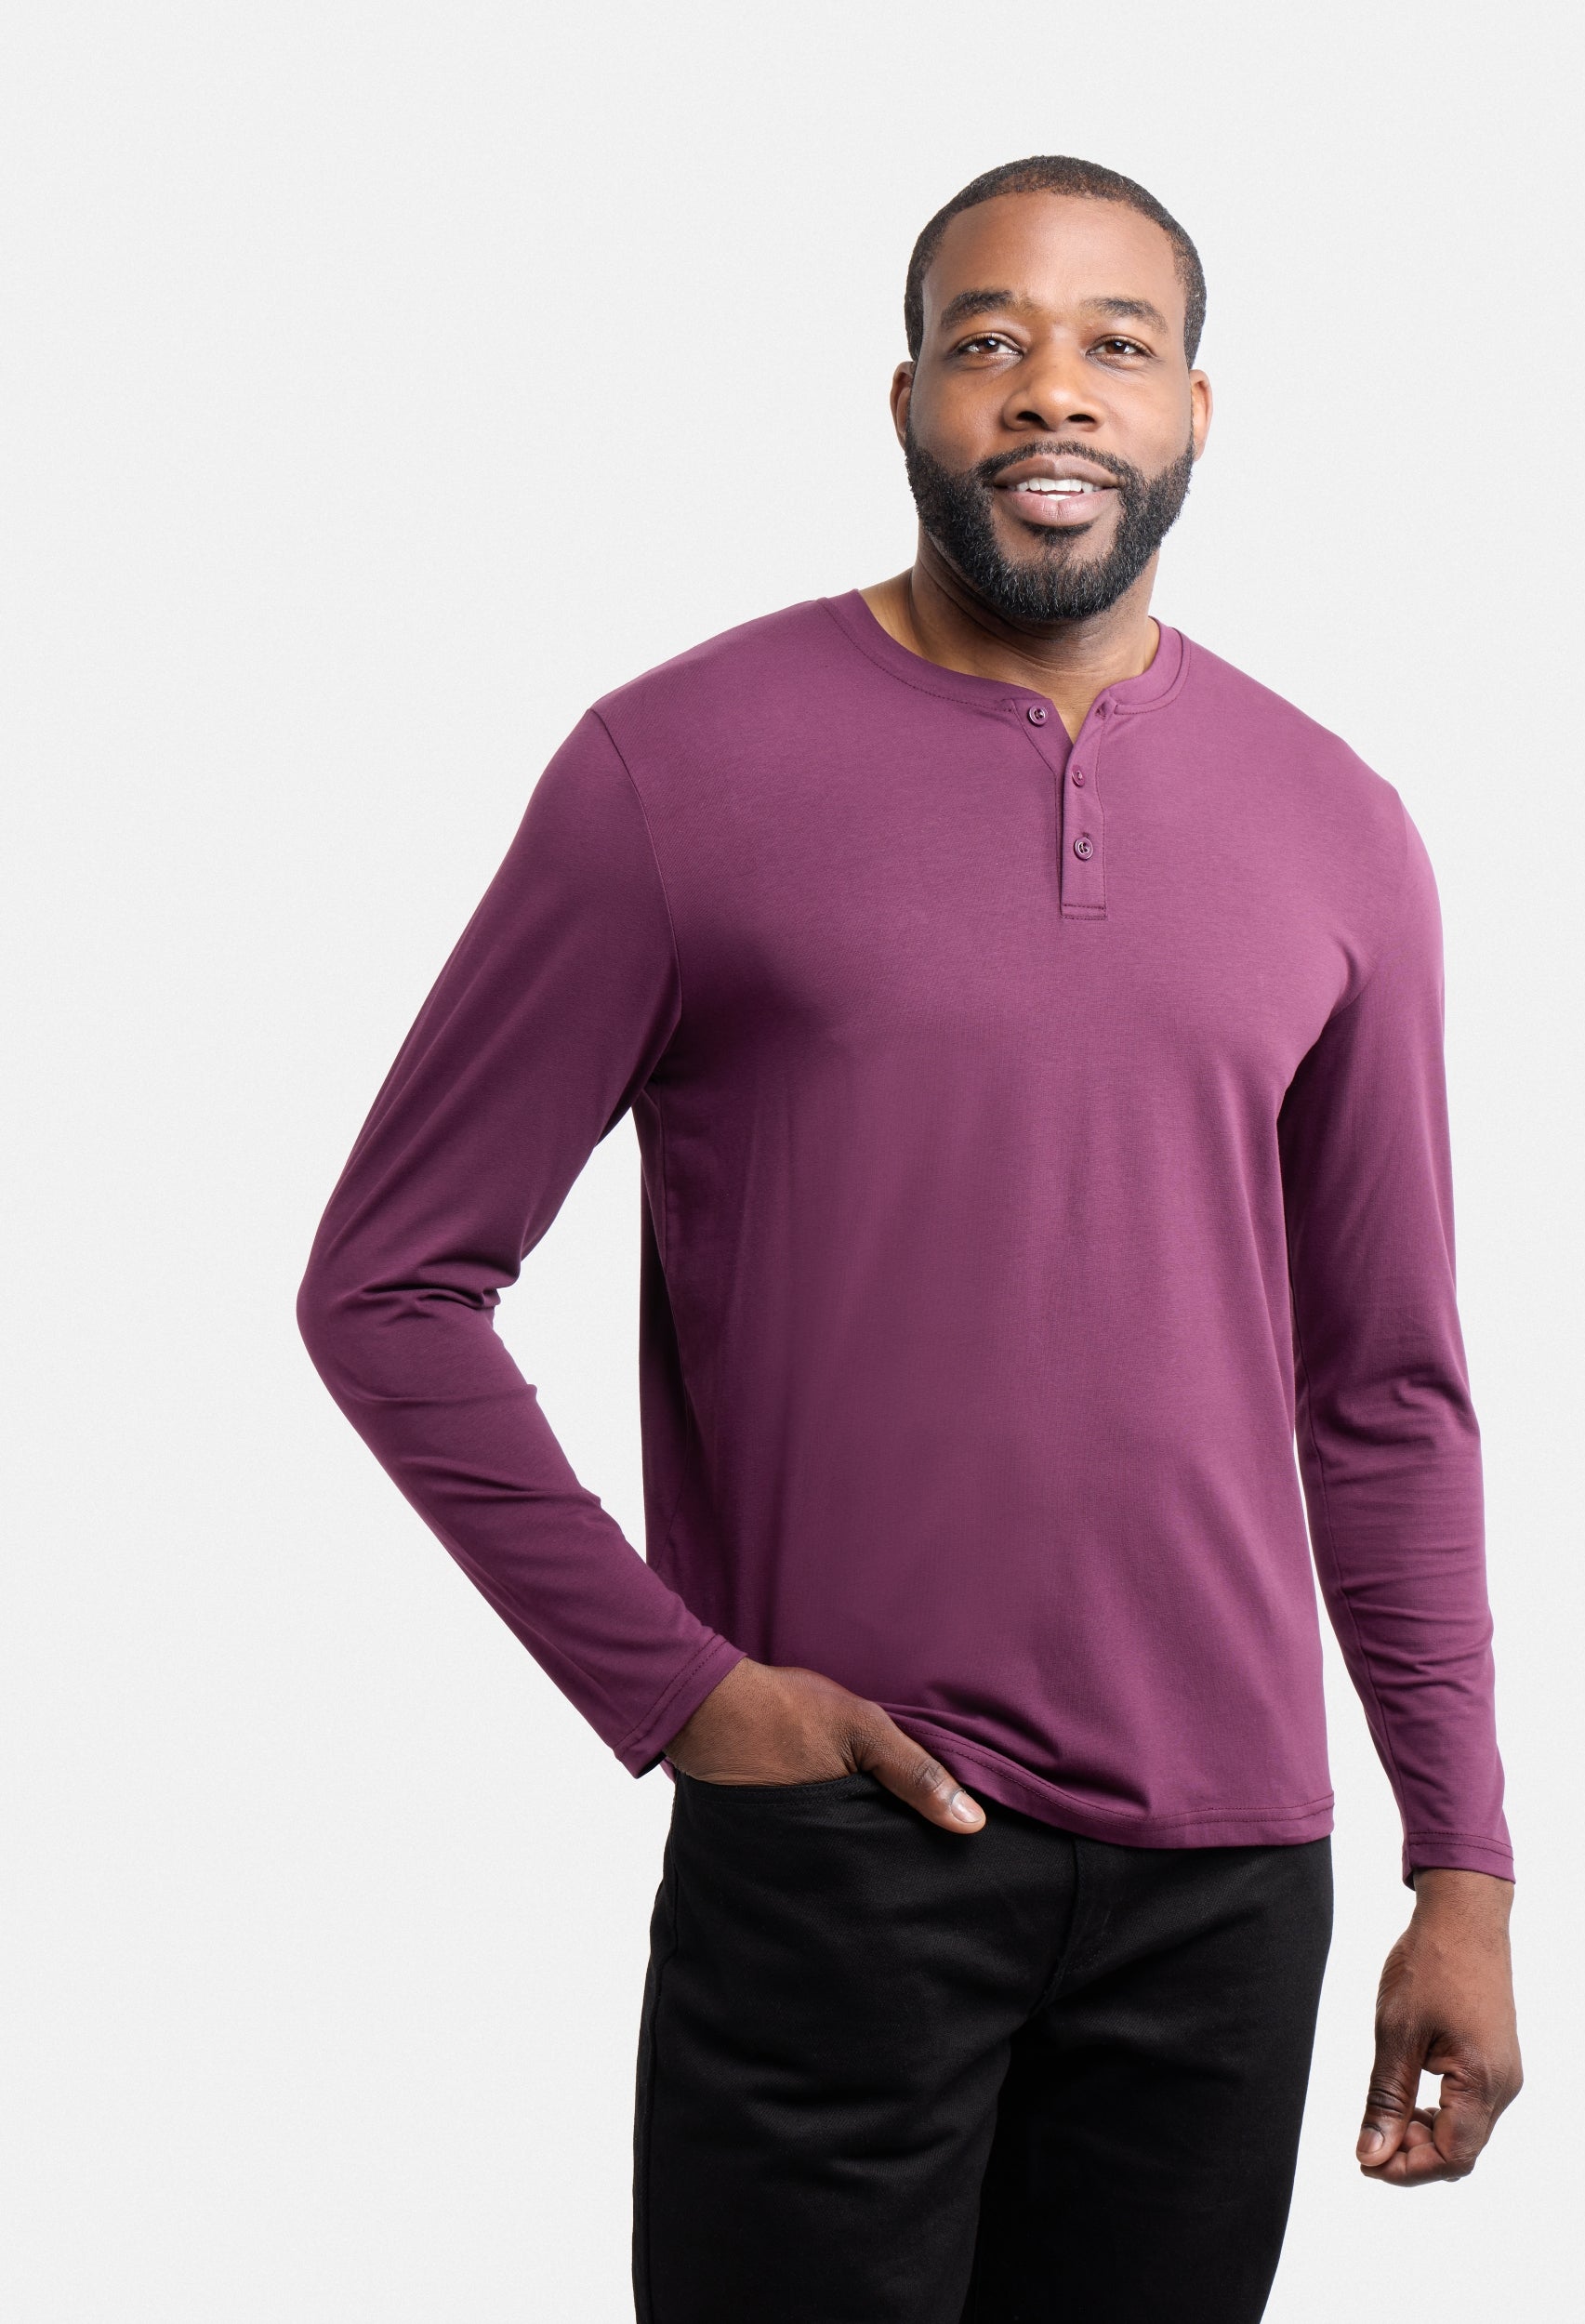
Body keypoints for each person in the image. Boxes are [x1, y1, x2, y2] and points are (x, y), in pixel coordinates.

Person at [297, 152, 1522, 2324]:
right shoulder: (675, 771)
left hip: (1230, 1882)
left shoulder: (1340, 825)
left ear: (1195, 409)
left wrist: (1464, 1862)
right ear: (906, 399)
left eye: (1115, 343)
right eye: (988, 341)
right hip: (846, 1846)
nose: (1052, 389)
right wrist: (677, 1688)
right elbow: (389, 1284)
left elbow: (1388, 1393)